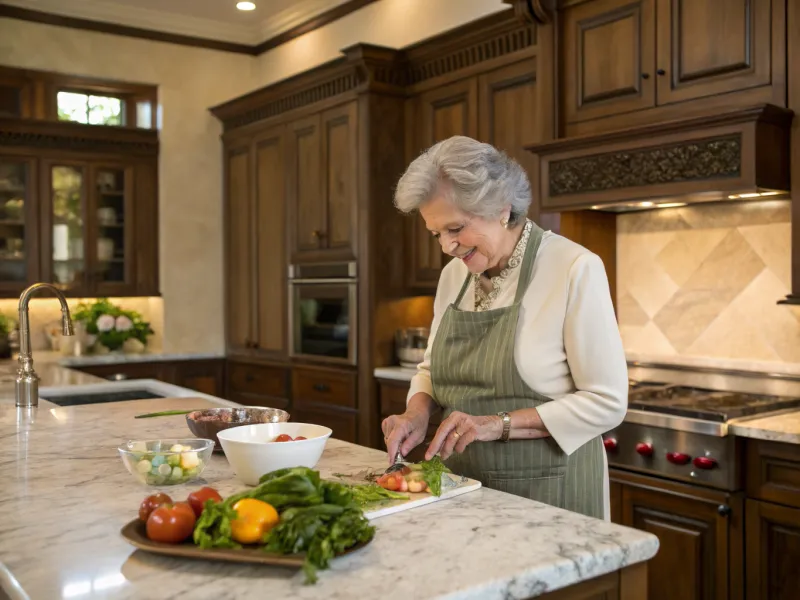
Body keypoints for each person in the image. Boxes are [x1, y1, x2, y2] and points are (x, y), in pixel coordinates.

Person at [381, 135, 628, 520]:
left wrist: (497, 425)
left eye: (456, 228)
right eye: (437, 234)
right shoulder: (452, 277)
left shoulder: (573, 267)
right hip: (461, 491)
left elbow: (607, 402)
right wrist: (416, 413)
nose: (447, 246)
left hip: (549, 498)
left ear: (500, 207)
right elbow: (431, 370)